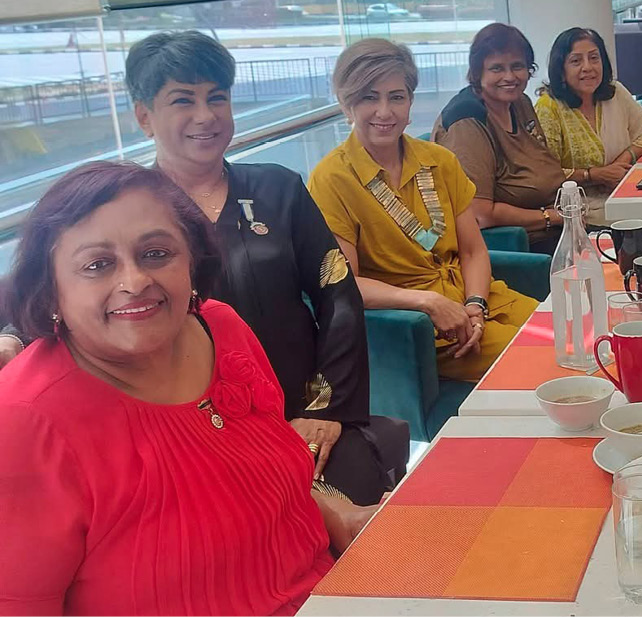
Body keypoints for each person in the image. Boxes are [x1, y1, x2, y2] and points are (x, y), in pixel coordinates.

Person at [0, 31, 399, 506]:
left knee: (365, 528)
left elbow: (337, 293)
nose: (205, 116)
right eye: (182, 101)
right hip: (189, 427)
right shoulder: (127, 214)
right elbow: (75, 293)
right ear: (144, 116)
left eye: (218, 99)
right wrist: (14, 337)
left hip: (304, 410)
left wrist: (328, 409)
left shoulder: (279, 188)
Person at [0, 162, 376, 614]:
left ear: (192, 261)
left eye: (156, 253)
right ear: (51, 291)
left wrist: (346, 519)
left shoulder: (223, 329)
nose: (135, 282)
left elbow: (263, 477)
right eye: (98, 265)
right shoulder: (25, 422)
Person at [308, 38, 539, 382]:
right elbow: (346, 284)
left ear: (411, 101)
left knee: (577, 335)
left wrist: (476, 304)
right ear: (346, 104)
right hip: (421, 326)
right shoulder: (331, 178)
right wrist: (428, 302)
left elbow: (473, 250)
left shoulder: (438, 159)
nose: (384, 112)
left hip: (480, 300)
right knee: (543, 364)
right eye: (369, 97)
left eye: (396, 97)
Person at [432, 23, 566, 252]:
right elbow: (480, 213)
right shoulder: (467, 121)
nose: (510, 76)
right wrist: (549, 217)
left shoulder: (519, 102)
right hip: (522, 245)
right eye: (497, 68)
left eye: (517, 66)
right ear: (477, 73)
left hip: (558, 225)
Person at [534, 27, 642, 224]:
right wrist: (594, 175)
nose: (587, 67)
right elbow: (545, 176)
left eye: (594, 58)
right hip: (578, 212)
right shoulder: (549, 107)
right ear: (561, 70)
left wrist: (623, 160)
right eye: (576, 61)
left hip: (625, 194)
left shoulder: (615, 93)